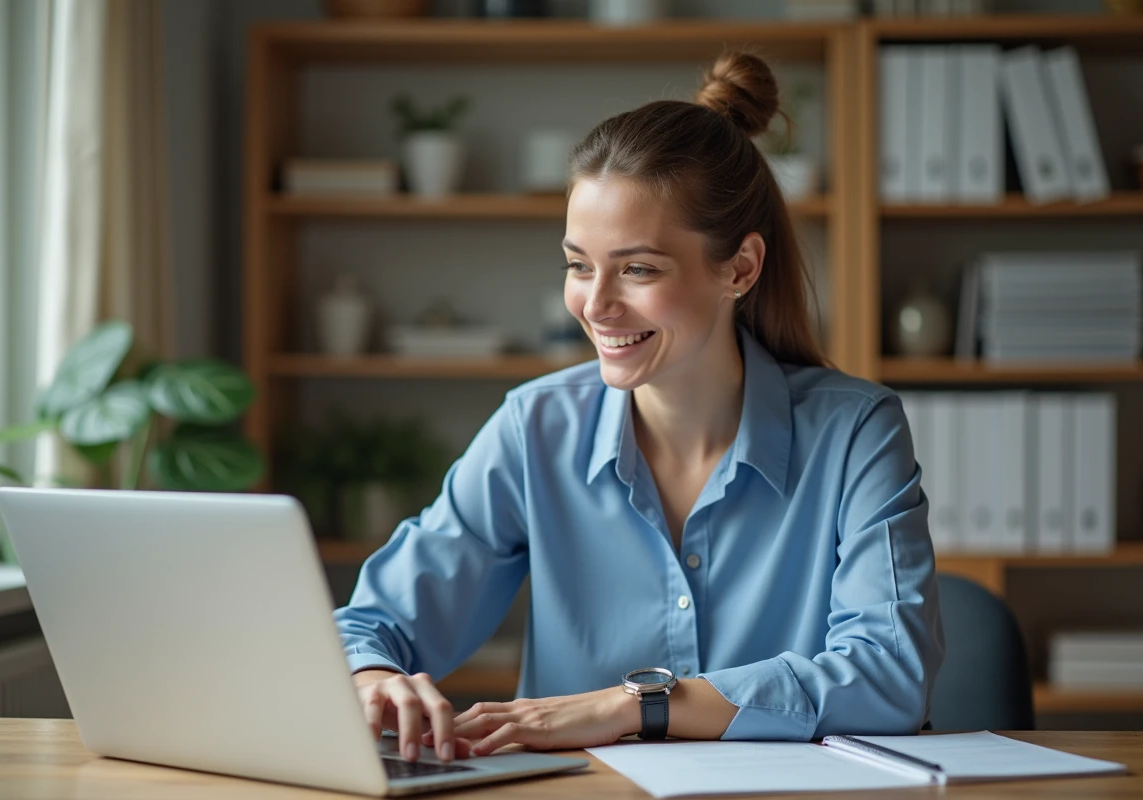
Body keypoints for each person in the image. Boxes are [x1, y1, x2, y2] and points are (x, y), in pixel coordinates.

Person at [334, 49, 944, 764]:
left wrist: (629, 708)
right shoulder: (534, 429)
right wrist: (374, 678)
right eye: (578, 265)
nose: (595, 305)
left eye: (638, 269)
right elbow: (373, 622)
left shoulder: (855, 433)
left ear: (740, 268)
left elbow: (891, 674)